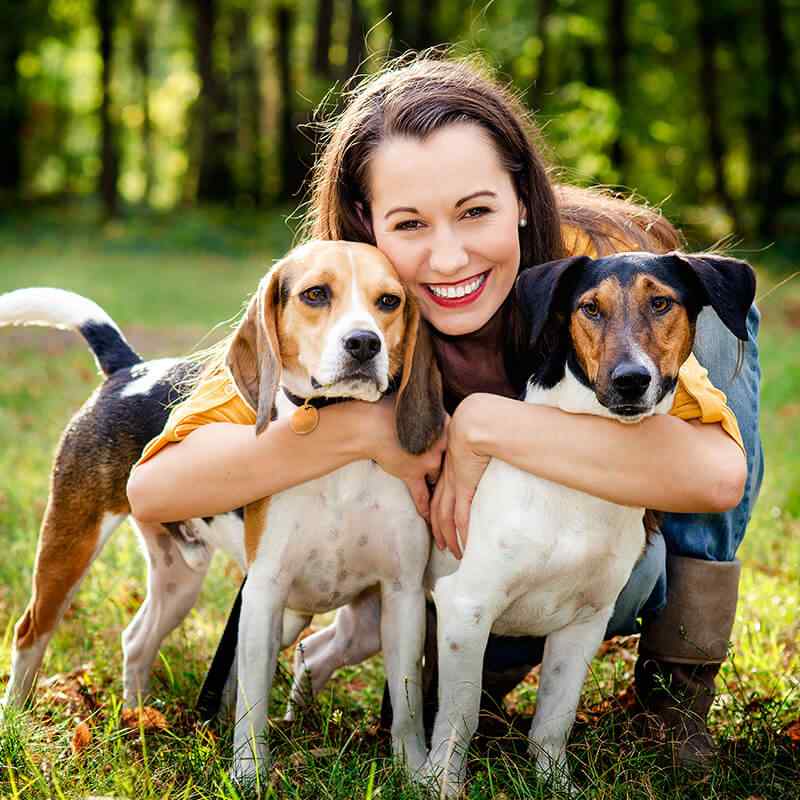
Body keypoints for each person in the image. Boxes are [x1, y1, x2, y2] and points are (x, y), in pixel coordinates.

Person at [127, 55, 762, 767]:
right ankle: (479, 663)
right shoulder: (346, 299)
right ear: (368, 227)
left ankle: (678, 686)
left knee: (715, 320)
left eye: (476, 211)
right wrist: (364, 426)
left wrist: (482, 425)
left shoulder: (593, 265)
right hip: (463, 571)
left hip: (604, 562)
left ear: (523, 197)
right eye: (409, 223)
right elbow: (155, 488)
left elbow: (715, 477)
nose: (450, 255)